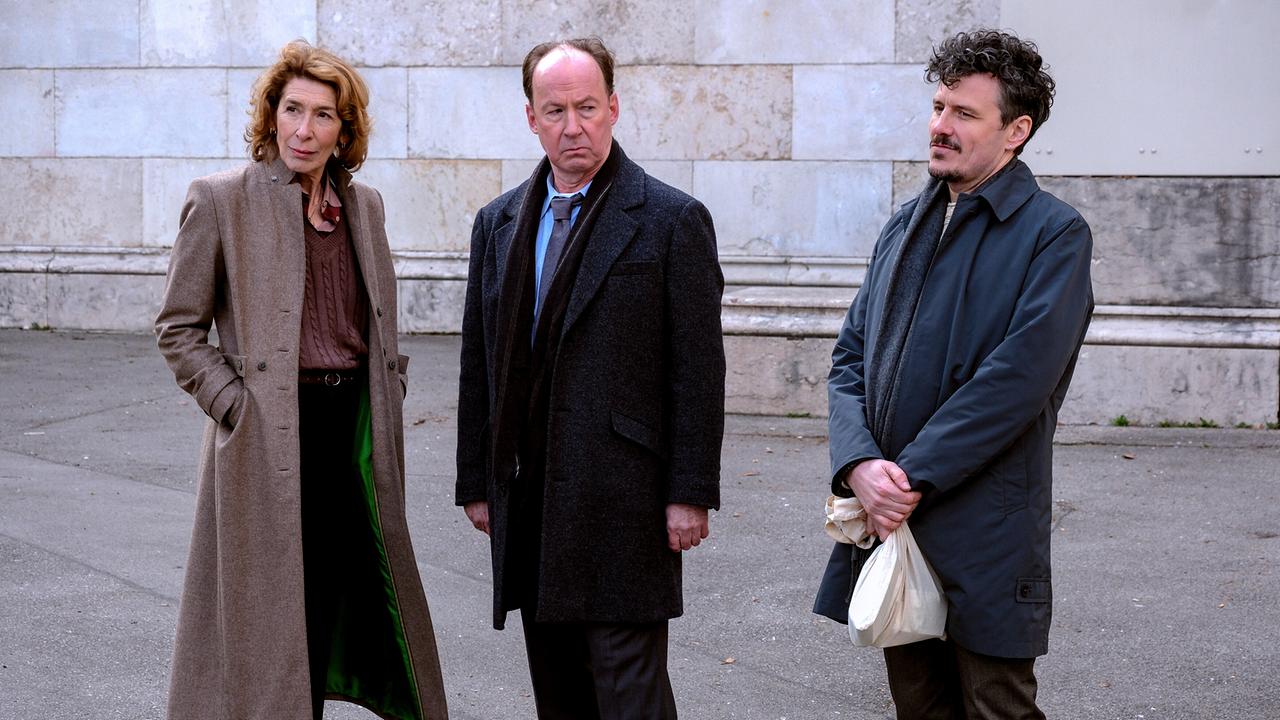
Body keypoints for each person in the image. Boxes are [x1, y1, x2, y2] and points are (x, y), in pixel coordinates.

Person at [155, 40, 448, 720]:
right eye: (292, 109)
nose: (304, 130)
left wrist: (391, 387)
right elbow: (177, 328)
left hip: (355, 433)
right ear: (271, 114)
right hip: (269, 432)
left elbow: (374, 323)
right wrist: (235, 406)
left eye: (323, 115)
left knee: (343, 598)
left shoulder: (364, 206)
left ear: (345, 129)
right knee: (272, 611)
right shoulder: (221, 200)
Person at [815, 30, 1094, 718]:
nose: (940, 125)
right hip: (893, 521)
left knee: (997, 706)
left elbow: (1016, 383)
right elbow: (849, 358)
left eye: (965, 113)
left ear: (1015, 132)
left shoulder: (1054, 235)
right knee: (919, 708)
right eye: (939, 107)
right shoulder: (902, 226)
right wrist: (858, 464)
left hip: (984, 526)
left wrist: (904, 479)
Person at [455, 37, 725, 719]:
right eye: (555, 111)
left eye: (587, 108)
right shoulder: (497, 223)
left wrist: (690, 493)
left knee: (628, 691)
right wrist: (476, 480)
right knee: (560, 693)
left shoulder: (671, 220)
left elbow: (698, 370)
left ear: (613, 108)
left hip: (625, 499)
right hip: (530, 497)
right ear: (532, 118)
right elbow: (480, 361)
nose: (572, 126)